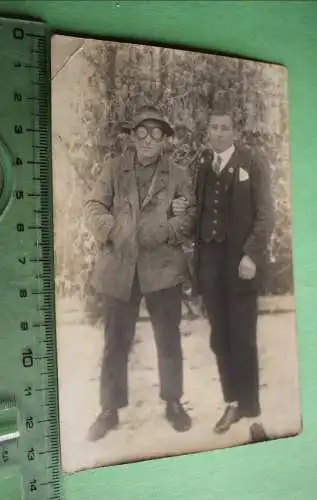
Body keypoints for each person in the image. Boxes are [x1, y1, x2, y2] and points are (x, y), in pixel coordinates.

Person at [85, 105, 195, 441]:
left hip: (162, 268)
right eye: (142, 133)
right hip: (121, 267)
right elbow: (93, 207)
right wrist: (115, 230)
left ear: (164, 139)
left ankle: (173, 403)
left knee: (168, 339)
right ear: (132, 137)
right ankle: (109, 409)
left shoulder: (178, 174)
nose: (148, 140)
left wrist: (165, 228)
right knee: (115, 341)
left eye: (156, 133)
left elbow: (189, 215)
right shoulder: (114, 169)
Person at [173, 99, 274, 442]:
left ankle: (251, 409)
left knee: (242, 337)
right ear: (207, 132)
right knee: (219, 338)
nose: (218, 133)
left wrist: (251, 255)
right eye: (213, 128)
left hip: (241, 265)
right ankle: (232, 401)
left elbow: (266, 215)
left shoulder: (252, 163)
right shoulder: (203, 168)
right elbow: (198, 218)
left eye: (225, 128)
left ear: (236, 131)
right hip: (212, 269)